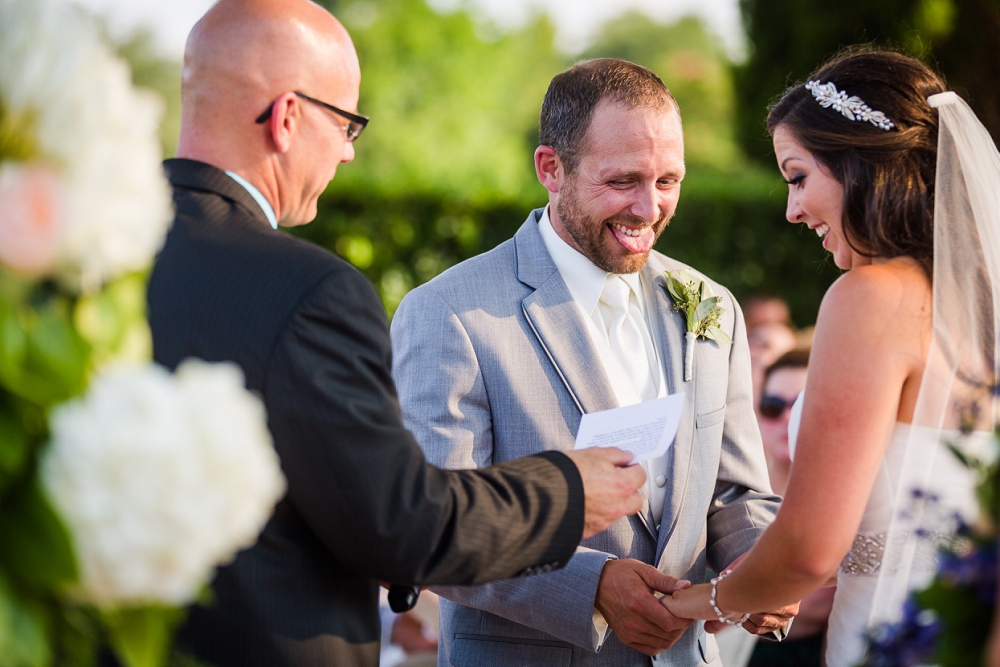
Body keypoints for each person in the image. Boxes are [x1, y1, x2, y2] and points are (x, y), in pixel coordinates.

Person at [145, 2, 649, 666]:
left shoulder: (72, 261)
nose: (350, 151)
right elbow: (400, 523)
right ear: (288, 117)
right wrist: (568, 489)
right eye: (347, 122)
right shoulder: (307, 291)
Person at [390, 58, 789, 667]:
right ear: (551, 168)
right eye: (624, 180)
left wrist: (755, 561)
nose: (650, 209)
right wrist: (592, 586)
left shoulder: (712, 306)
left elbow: (735, 488)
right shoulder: (449, 313)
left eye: (668, 181)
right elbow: (432, 528)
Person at [661, 49, 1000, 667]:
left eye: (797, 177)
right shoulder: (980, 308)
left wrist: (688, 606)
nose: (791, 210)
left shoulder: (870, 298)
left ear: (859, 164)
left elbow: (809, 550)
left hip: (888, 640)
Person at [749, 349, 835, 667]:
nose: (787, 418)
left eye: (801, 406)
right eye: (773, 407)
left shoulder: (845, 501)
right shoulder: (723, 490)